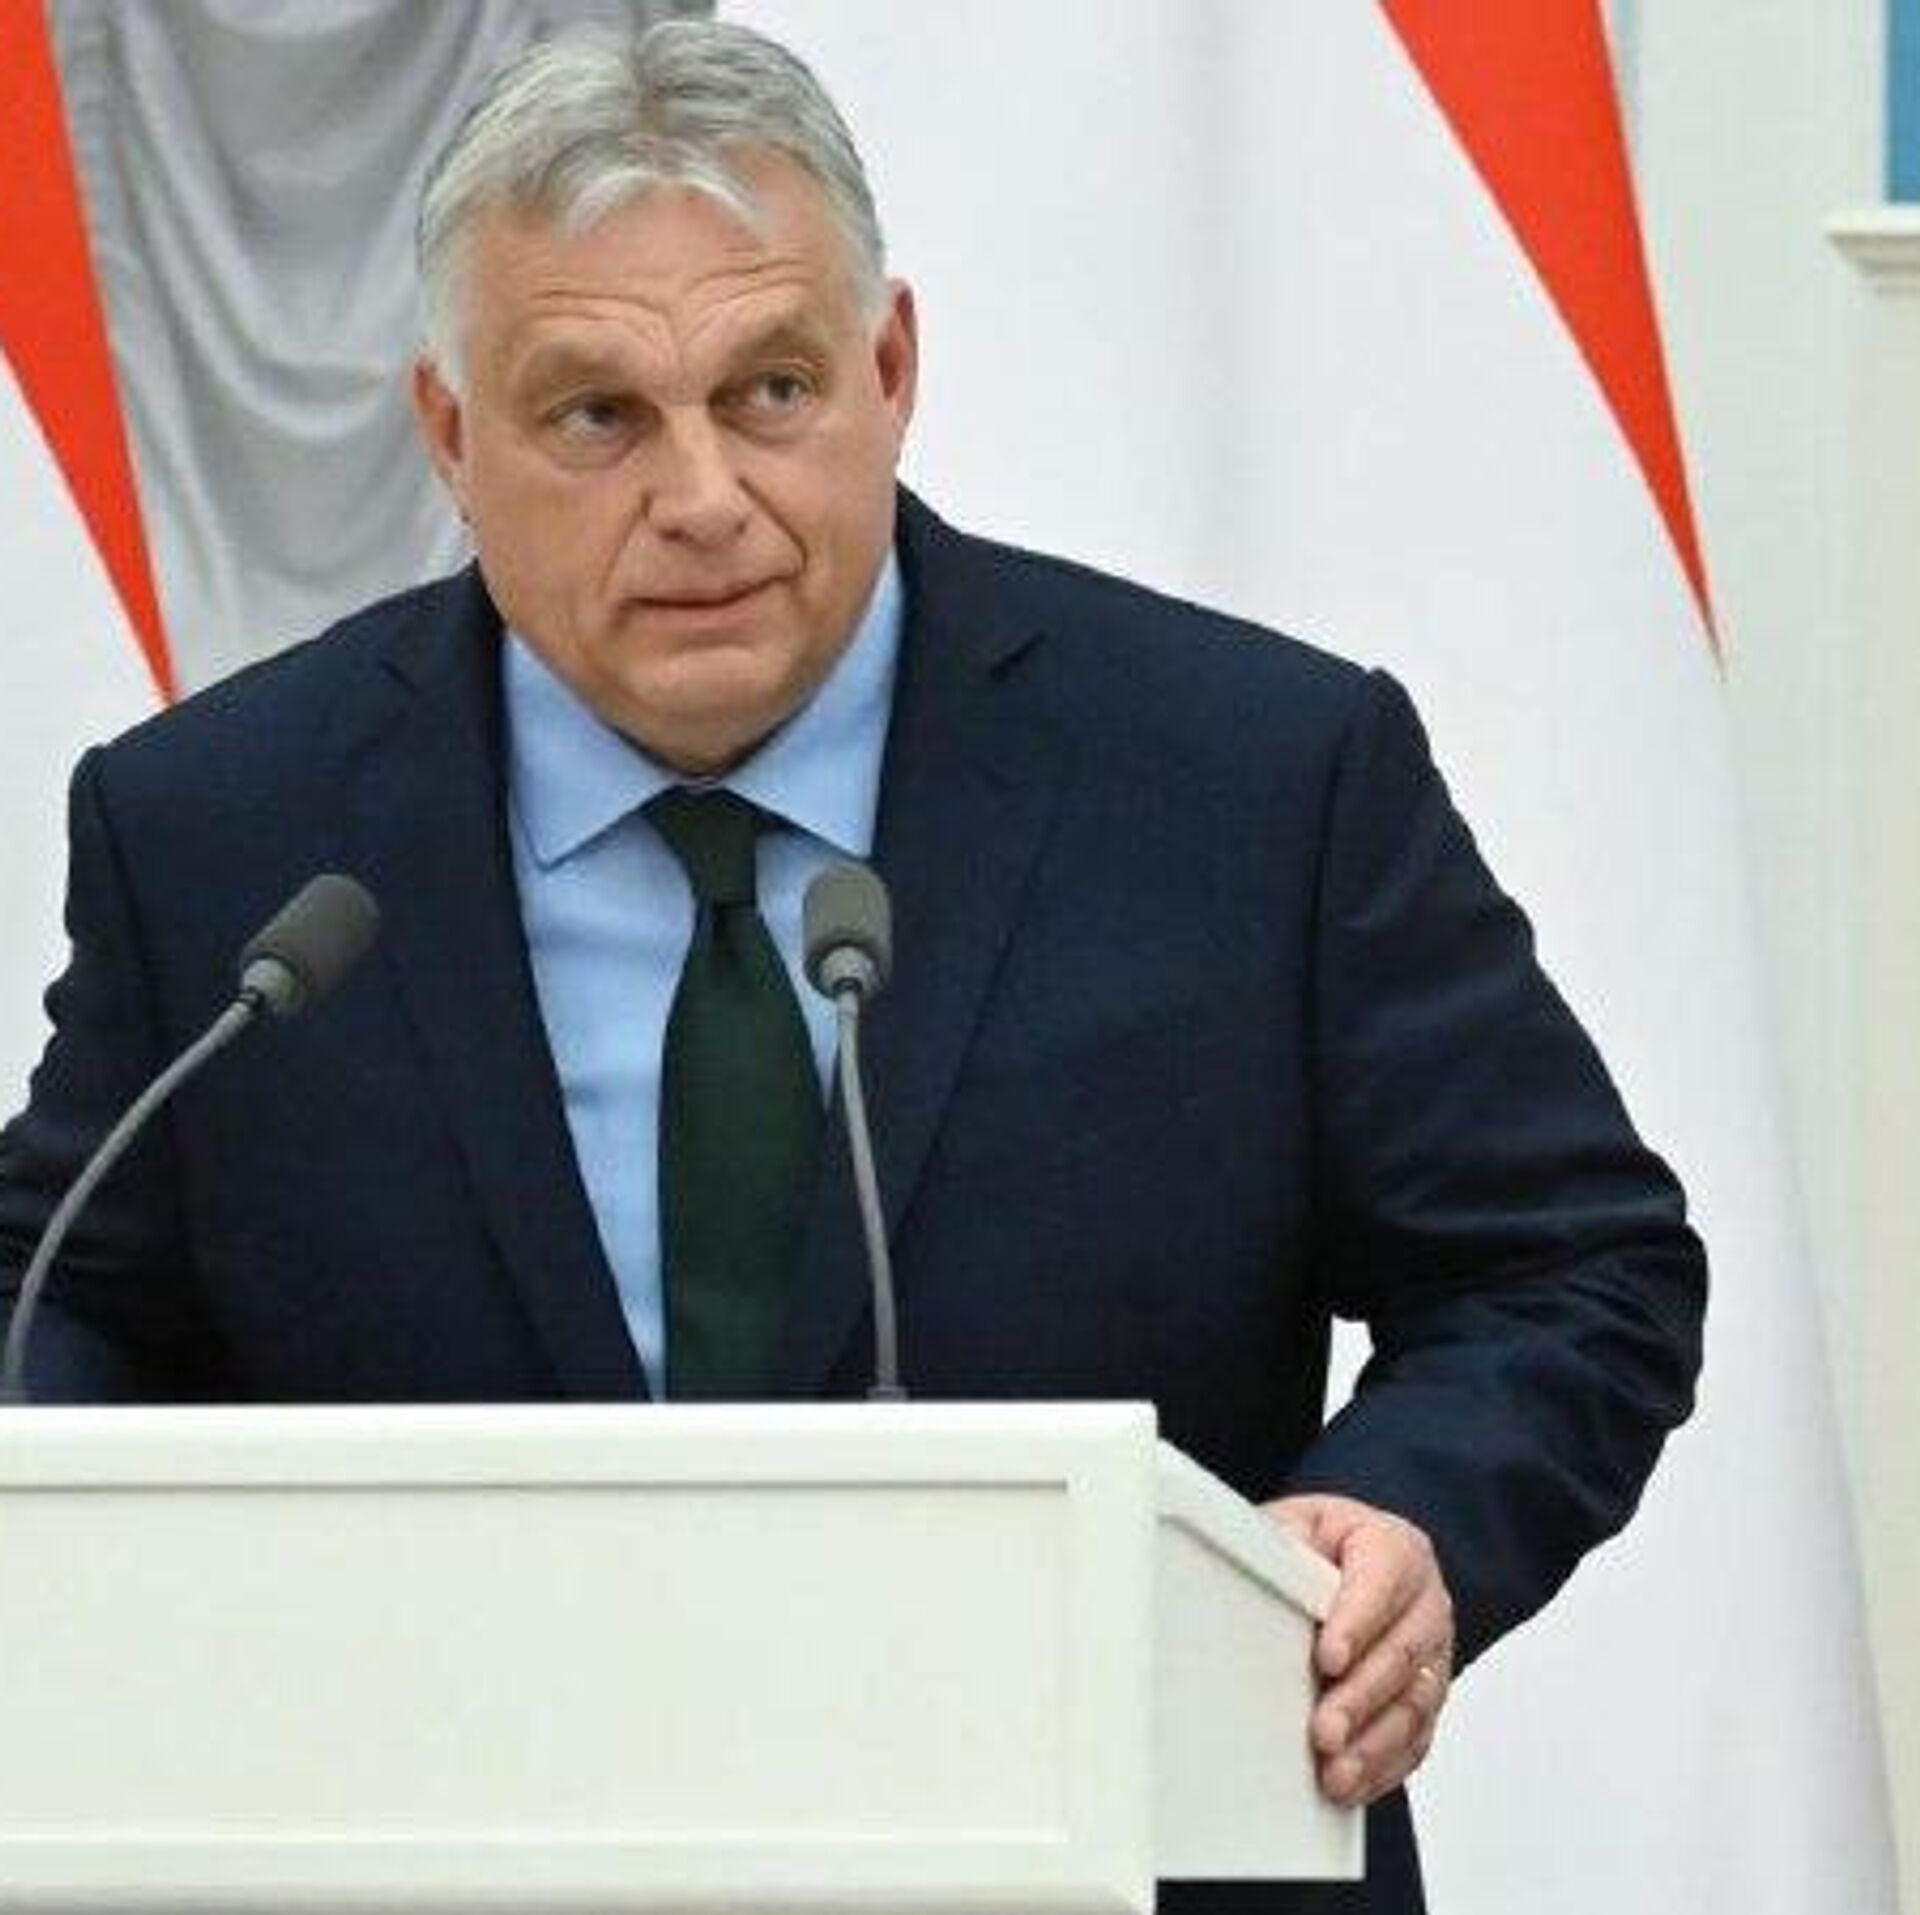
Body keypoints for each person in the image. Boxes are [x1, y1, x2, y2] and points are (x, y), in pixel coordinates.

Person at [0, 22, 1704, 1914]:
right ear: (450, 438)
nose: (703, 495)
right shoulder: (228, 835)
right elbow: (57, 1302)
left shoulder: (1250, 782)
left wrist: (1407, 1514)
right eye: (597, 417)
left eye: (772, 389)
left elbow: (1569, 1264)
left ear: (891, 371)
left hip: (1115, 1857)